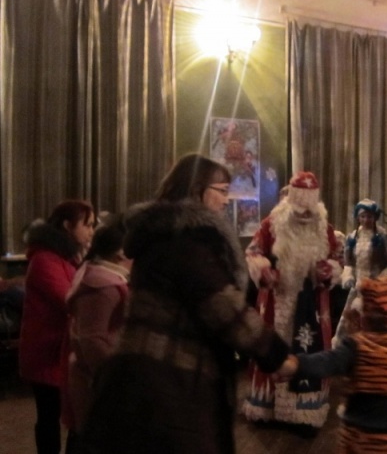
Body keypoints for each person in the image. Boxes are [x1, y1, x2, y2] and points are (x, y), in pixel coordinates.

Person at [80, 153, 290, 454]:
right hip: (171, 380)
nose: (226, 200)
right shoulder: (187, 241)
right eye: (222, 191)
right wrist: (275, 353)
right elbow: (224, 307)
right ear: (197, 190)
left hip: (147, 375)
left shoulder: (163, 236)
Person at [241, 171, 342, 433]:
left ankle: (304, 411)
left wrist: (329, 270)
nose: (305, 213)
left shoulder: (325, 229)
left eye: (310, 207)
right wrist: (263, 270)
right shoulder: (271, 225)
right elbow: (253, 251)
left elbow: (338, 258)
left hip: (312, 304)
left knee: (308, 351)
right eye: (300, 207)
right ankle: (266, 406)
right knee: (271, 348)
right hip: (276, 301)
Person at [279, 275, 387, 453]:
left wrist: (296, 364)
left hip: (358, 438)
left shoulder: (357, 345)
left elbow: (327, 361)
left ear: (363, 319)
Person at [18, 200, 95, 454]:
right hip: (46, 353)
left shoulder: (67, 256)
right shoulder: (44, 259)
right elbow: (68, 299)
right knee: (50, 417)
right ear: (67, 225)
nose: (91, 231)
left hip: (62, 350)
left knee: (75, 416)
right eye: (87, 225)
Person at [62, 213, 131, 449]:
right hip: (97, 386)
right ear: (121, 252)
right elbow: (93, 341)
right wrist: (118, 379)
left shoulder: (104, 278)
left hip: (97, 383)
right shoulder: (102, 285)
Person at [332, 199, 387, 347]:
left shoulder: (382, 237)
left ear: (375, 217)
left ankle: (375, 348)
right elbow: (348, 262)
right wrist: (348, 276)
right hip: (358, 286)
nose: (366, 220)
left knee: (375, 320)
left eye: (369, 216)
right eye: (363, 216)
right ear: (358, 217)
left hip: (375, 286)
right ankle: (348, 348)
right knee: (350, 319)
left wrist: (380, 280)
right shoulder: (353, 237)